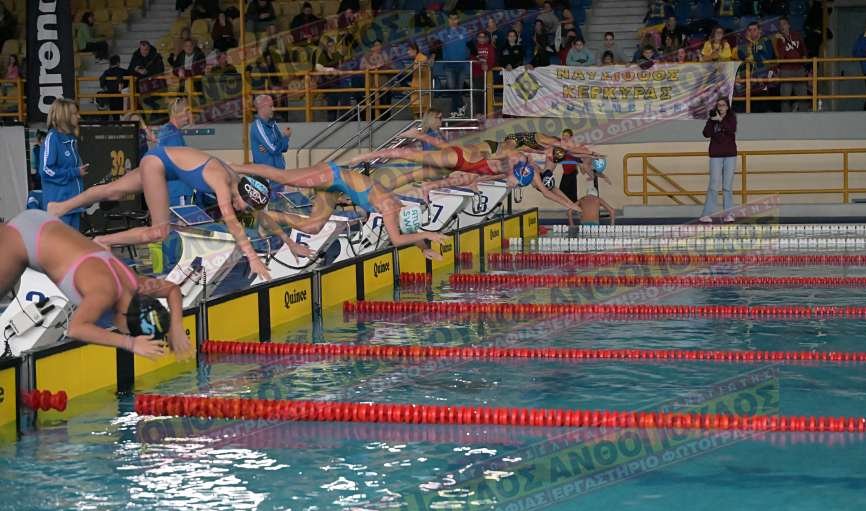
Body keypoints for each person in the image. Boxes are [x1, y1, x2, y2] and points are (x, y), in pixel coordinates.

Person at [47, 146, 301, 281]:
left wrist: (290, 243)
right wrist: (253, 258)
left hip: (162, 162)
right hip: (158, 165)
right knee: (160, 231)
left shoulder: (238, 183)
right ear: (242, 194)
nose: (241, 209)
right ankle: (103, 240)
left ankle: (59, 208)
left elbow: (262, 216)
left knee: (112, 191)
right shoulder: (222, 182)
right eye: (244, 206)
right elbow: (233, 223)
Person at [1, 210, 191, 358]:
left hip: (42, 222)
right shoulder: (104, 292)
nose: (123, 332)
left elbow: (172, 289)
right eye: (130, 333)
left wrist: (176, 327)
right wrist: (131, 344)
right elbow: (76, 329)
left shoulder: (135, 285)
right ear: (126, 321)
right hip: (22, 238)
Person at [231, 161, 450, 261]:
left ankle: (265, 215)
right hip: (331, 174)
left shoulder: (397, 208)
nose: (396, 224)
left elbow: (406, 231)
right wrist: (428, 234)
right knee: (284, 177)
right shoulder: (390, 207)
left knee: (313, 227)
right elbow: (397, 238)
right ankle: (234, 166)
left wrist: (423, 248)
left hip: (334, 189)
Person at [356, 138, 583, 213]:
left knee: (424, 174)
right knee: (414, 160)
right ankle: (371, 157)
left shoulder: (517, 173)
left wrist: (571, 205)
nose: (511, 185)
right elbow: (512, 150)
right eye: (514, 183)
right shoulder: (514, 157)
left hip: (465, 166)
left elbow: (547, 192)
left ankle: (425, 187)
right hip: (461, 158)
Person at [41, 99, 89, 231]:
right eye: (74, 113)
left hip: (74, 206)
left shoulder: (71, 140)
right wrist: (75, 172)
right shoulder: (53, 138)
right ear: (64, 115)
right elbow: (46, 170)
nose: (78, 116)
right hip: (59, 207)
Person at [700, 97, 737, 223]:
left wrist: (720, 120)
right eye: (718, 105)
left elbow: (731, 130)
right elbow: (706, 134)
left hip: (730, 155)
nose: (720, 107)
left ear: (727, 107)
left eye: (723, 105)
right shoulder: (712, 118)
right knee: (713, 185)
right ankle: (706, 214)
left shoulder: (731, 118)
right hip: (716, 155)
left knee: (727, 186)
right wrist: (712, 120)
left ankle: (729, 214)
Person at [156, 98, 193, 206]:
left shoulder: (167, 130)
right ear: (176, 113)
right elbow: (178, 164)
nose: (188, 117)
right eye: (186, 113)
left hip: (171, 189)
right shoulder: (173, 135)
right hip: (177, 190)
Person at [250, 94, 291, 188]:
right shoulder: (257, 126)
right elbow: (274, 149)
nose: (274, 109)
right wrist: (284, 138)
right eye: (271, 106)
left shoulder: (273, 124)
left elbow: (284, 148)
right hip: (267, 179)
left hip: (279, 175)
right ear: (262, 107)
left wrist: (284, 139)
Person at [736, 22, 776, 112]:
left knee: (763, 101)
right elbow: (741, 55)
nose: (752, 32)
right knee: (749, 103)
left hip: (763, 75)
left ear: (759, 31)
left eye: (755, 29)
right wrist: (750, 44)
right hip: (749, 77)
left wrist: (755, 50)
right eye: (750, 30)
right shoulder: (743, 43)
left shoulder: (765, 40)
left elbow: (768, 56)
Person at [773, 16, 809, 112]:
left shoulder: (797, 35)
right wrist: (783, 41)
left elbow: (803, 48)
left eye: (784, 24)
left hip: (799, 69)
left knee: (803, 96)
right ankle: (785, 117)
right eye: (780, 25)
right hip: (786, 71)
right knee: (785, 98)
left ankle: (805, 117)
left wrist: (805, 56)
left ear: (789, 25)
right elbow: (781, 56)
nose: (782, 26)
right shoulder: (778, 40)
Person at [442, 13, 471, 118]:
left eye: (455, 19)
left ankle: (455, 111)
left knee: (458, 89)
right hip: (449, 65)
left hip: (461, 65)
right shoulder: (443, 33)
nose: (453, 21)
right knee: (451, 88)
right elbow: (436, 47)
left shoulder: (465, 31)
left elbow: (470, 45)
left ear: (458, 20)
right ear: (448, 20)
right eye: (451, 19)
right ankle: (460, 107)